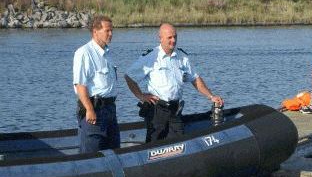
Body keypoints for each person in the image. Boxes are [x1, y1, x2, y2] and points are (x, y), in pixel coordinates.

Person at [125, 23, 223, 143]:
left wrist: (211, 96)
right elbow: (129, 77)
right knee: (154, 146)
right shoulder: (151, 56)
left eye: (175, 37)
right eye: (169, 37)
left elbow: (195, 79)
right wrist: (141, 96)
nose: (173, 40)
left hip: (175, 110)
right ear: (160, 38)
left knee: (180, 144)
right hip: (157, 110)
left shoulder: (182, 56)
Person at [73, 15, 120, 153]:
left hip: (110, 110)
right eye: (107, 31)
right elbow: (80, 85)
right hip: (94, 111)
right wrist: (89, 109)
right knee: (92, 155)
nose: (111, 34)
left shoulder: (107, 54)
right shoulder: (84, 53)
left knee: (114, 152)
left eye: (112, 31)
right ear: (95, 31)